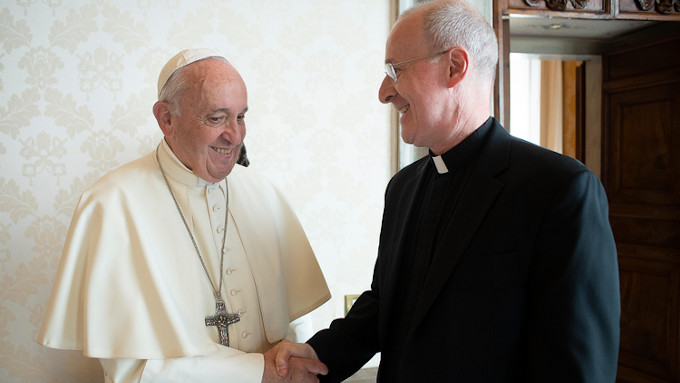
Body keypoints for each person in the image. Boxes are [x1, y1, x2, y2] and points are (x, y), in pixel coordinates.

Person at [270, 1, 621, 381]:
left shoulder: (560, 189)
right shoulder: (402, 188)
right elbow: (387, 305)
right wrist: (315, 355)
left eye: (395, 70)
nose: (384, 92)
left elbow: (578, 367)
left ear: (455, 66)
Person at [38, 48, 330, 383]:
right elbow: (131, 371)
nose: (234, 136)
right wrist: (257, 372)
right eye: (217, 118)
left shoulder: (264, 194)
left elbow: (296, 328)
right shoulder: (111, 205)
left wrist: (289, 361)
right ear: (166, 119)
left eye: (241, 117)